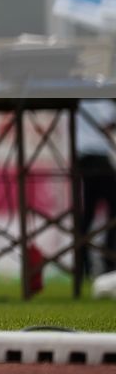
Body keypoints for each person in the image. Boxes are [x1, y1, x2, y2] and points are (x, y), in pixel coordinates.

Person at [77, 98, 116, 276]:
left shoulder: (81, 100)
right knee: (109, 213)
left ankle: (85, 263)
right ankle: (108, 261)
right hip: (95, 158)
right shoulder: (101, 102)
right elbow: (105, 124)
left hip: (87, 158)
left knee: (89, 215)